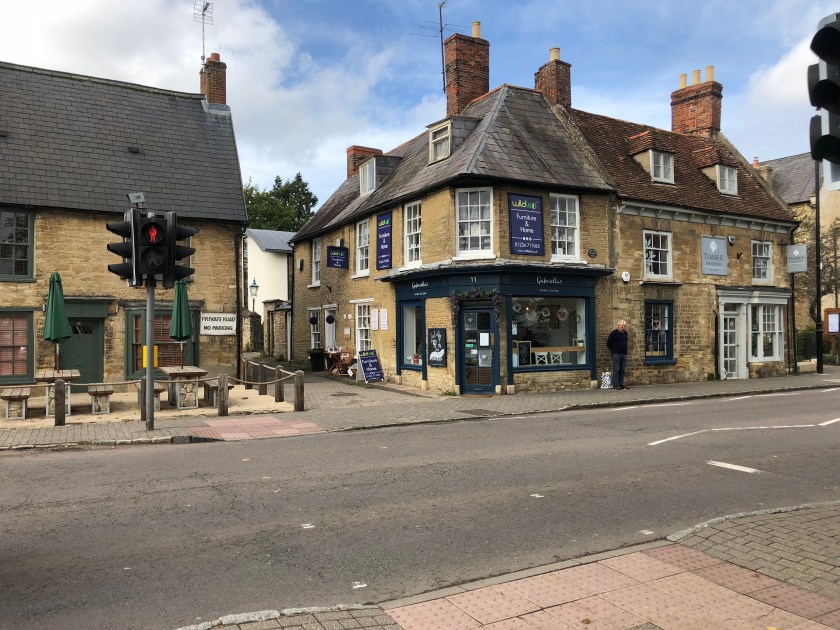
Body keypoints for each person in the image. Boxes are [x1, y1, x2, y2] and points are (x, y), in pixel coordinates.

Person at [606, 319, 629, 390]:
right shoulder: (613, 333)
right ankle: (616, 385)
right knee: (616, 369)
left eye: (623, 325)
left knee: (622, 369)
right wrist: (613, 349)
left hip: (624, 354)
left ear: (625, 326)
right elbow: (608, 343)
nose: (622, 326)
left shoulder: (625, 333)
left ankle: (621, 384)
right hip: (616, 354)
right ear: (618, 325)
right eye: (620, 325)